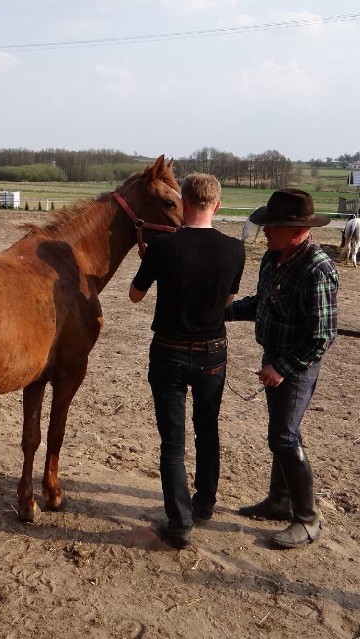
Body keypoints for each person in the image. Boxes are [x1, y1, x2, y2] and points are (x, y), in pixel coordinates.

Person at [129, 172, 245, 550]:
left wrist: (151, 262)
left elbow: (134, 295)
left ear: (185, 204)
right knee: (207, 428)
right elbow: (228, 302)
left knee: (173, 442)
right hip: (213, 351)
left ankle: (179, 523)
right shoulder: (234, 250)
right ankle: (205, 503)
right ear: (217, 205)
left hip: (169, 351)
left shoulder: (164, 247)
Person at [226, 188, 338, 548]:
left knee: (285, 436)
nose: (265, 232)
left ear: (297, 230)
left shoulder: (317, 269)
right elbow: (262, 302)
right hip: (274, 357)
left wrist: (283, 367)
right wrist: (221, 312)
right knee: (282, 432)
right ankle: (279, 500)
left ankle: (307, 519)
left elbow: (321, 336)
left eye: (272, 227)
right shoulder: (273, 258)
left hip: (297, 365)